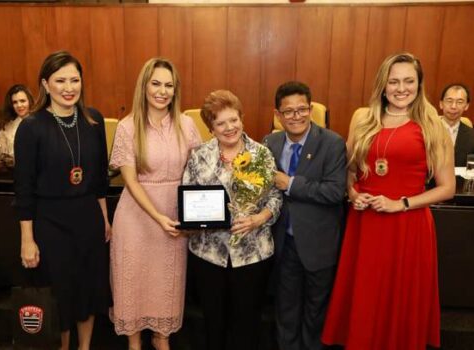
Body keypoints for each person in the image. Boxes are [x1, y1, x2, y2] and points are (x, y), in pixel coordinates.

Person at [322, 52, 455, 350]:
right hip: (366, 223)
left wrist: (401, 203)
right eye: (393, 81)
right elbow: (350, 171)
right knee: (367, 297)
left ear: (420, 84)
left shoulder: (433, 125)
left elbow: (447, 188)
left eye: (409, 81)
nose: (401, 88)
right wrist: (354, 193)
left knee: (401, 299)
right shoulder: (363, 118)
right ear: (383, 85)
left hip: (409, 225)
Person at [14, 51, 111, 350]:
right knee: (61, 295)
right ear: (45, 84)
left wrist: (105, 219)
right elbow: (24, 188)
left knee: (89, 290)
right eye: (60, 80)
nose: (69, 87)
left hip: (88, 219)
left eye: (75, 80)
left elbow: (99, 182)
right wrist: (27, 240)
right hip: (49, 222)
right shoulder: (32, 126)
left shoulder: (93, 120)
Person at [109, 57, 201, 350]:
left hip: (174, 221)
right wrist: (158, 217)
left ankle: (162, 341)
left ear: (176, 90)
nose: (162, 91)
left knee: (165, 294)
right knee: (132, 290)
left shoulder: (187, 125)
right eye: (156, 83)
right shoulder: (127, 126)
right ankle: (133, 344)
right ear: (144, 86)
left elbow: (201, 172)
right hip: (137, 218)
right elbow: (131, 181)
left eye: (169, 85)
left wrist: (193, 218)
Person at [182, 90, 282, 350]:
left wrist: (258, 219)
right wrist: (193, 222)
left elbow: (275, 197)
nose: (229, 128)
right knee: (213, 322)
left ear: (242, 119)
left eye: (233, 120)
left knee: (246, 323)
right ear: (211, 128)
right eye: (220, 123)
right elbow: (187, 198)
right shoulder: (199, 156)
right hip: (209, 255)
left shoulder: (262, 154)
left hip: (253, 254)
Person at [263, 81, 347, 350]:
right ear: (278, 115)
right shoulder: (270, 143)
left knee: (315, 314)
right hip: (283, 244)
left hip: (319, 245)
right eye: (288, 111)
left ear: (311, 110)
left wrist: (290, 184)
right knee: (285, 311)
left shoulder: (332, 143)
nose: (296, 116)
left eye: (302, 110)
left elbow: (335, 192)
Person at [0, 84, 34, 157]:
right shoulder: (9, 124)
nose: (19, 105)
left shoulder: (39, 122)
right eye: (15, 102)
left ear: (29, 101)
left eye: (22, 101)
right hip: (13, 166)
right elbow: (1, 153)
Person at [439, 83, 474, 167]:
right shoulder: (426, 131)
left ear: (466, 106)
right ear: (441, 104)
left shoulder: (472, 136)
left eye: (459, 102)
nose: (453, 106)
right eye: (449, 101)